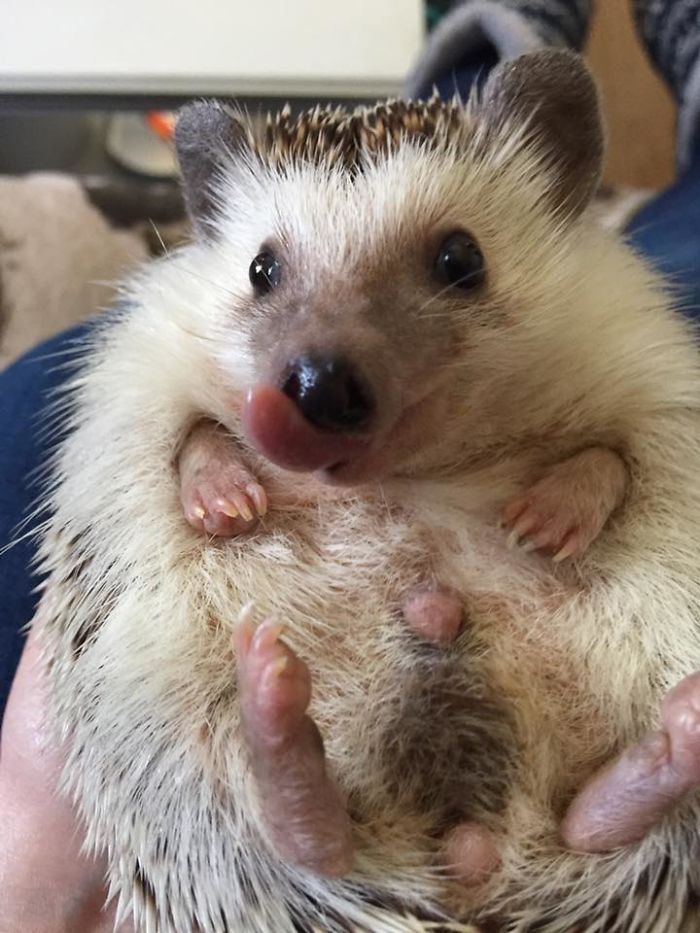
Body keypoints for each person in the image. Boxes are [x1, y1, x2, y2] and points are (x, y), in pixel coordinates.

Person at [1, 1, 699, 928]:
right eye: (266, 277)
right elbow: (157, 419)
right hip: (532, 764)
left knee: (30, 397)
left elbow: (634, 431)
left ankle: (478, 54)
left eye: (452, 263)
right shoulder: (194, 348)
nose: (323, 350)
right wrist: (200, 444)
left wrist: (205, 458)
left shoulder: (591, 334)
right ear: (216, 237)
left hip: (427, 708)